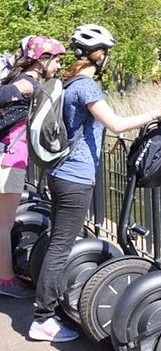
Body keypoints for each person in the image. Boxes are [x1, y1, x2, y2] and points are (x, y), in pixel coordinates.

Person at [28, 24, 161, 343]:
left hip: (59, 173)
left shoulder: (67, 84)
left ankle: (45, 310)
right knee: (60, 247)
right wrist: (157, 112)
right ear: (99, 55)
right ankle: (43, 318)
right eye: (106, 52)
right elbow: (117, 125)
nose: (107, 57)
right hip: (75, 176)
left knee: (58, 240)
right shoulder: (86, 87)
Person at [0, 36, 66, 299]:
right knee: (3, 224)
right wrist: (19, 91)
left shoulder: (23, 80)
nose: (59, 65)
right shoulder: (27, 83)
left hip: (7, 158)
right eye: (57, 59)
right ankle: (5, 280)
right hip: (9, 160)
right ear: (42, 60)